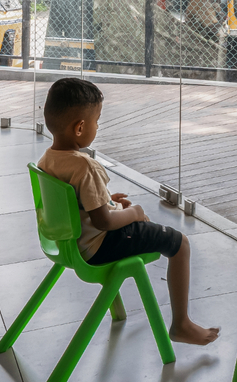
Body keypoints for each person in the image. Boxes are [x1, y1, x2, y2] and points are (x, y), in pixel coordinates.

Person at [38, 77, 220, 345]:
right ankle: (181, 324)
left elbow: (72, 201)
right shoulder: (85, 166)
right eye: (97, 121)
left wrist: (104, 199)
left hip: (67, 242)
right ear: (80, 128)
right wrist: (134, 213)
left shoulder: (47, 159)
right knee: (180, 243)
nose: (98, 126)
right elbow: (104, 222)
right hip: (98, 246)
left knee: (139, 223)